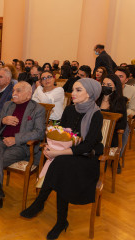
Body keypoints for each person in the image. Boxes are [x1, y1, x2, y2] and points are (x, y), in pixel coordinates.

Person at [20, 78, 103, 240]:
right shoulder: (69, 110)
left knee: (61, 164)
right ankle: (61, 221)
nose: (72, 93)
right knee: (62, 166)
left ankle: (41, 203)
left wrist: (57, 154)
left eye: (78, 90)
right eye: (73, 89)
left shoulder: (96, 114)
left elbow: (87, 146)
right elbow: (61, 134)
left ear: (90, 93)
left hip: (87, 159)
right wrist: (50, 147)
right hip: (66, 157)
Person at [0, 81, 46, 212]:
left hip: (22, 147)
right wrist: (3, 120)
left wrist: (16, 139)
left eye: (18, 91)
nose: (14, 93)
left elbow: (39, 132)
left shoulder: (38, 109)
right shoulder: (8, 105)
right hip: (1, 141)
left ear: (28, 94)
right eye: (13, 90)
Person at [96, 74, 127, 149]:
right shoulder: (97, 98)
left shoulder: (120, 101)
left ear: (115, 87)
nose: (105, 86)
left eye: (109, 85)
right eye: (103, 84)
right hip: (95, 130)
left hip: (111, 134)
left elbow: (122, 123)